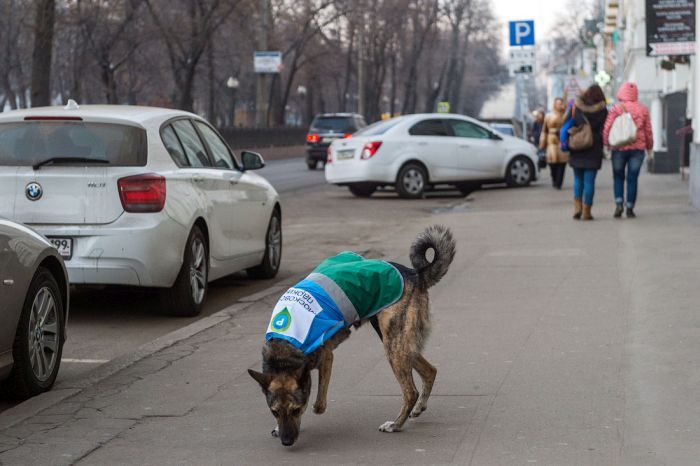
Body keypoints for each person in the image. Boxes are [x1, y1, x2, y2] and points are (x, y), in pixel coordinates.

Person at [603, 82, 653, 218]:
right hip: (637, 149)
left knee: (618, 177)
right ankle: (630, 207)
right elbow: (648, 130)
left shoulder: (616, 108)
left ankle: (619, 203)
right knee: (633, 178)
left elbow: (607, 127)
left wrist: (606, 143)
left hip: (618, 147)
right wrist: (650, 147)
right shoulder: (643, 109)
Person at [566, 85, 608, 220]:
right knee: (589, 182)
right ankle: (586, 211)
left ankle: (577, 207)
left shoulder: (576, 107)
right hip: (594, 148)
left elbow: (567, 123)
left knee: (578, 179)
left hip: (578, 146)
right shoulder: (603, 111)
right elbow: (605, 129)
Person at [539, 98, 568, 189]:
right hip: (551, 141)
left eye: (561, 103)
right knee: (552, 162)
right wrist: (542, 144)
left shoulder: (566, 115)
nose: (559, 105)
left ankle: (559, 182)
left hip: (562, 140)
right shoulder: (549, 116)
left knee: (562, 163)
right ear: (554, 104)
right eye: (557, 103)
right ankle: (554, 179)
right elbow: (544, 130)